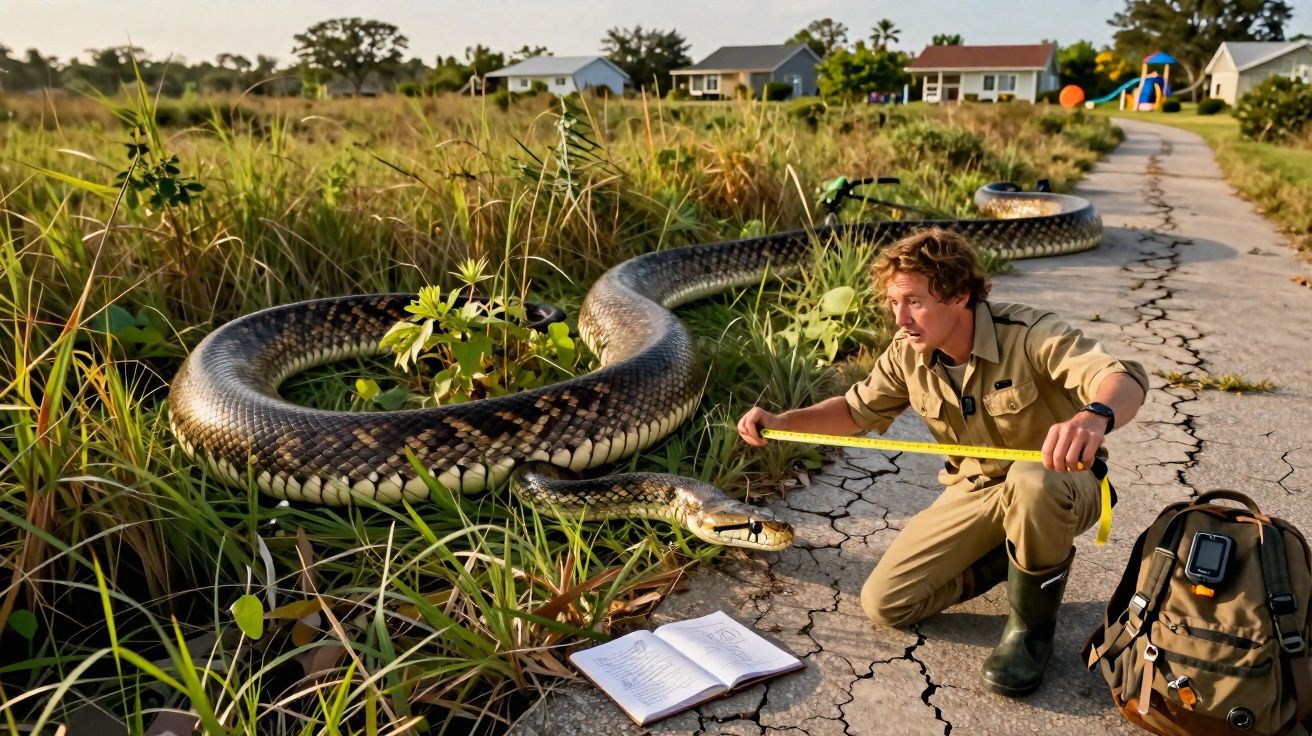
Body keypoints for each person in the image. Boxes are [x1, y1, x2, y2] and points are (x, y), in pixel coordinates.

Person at [737, 228, 1147, 697]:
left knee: (1033, 481)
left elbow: (1120, 377)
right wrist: (783, 420)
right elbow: (854, 411)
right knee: (886, 603)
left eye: (914, 301)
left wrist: (1093, 418)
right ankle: (1009, 558)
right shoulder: (906, 355)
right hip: (974, 491)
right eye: (894, 303)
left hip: (1060, 485)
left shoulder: (1030, 333)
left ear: (959, 295)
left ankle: (1030, 630)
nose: (900, 319)